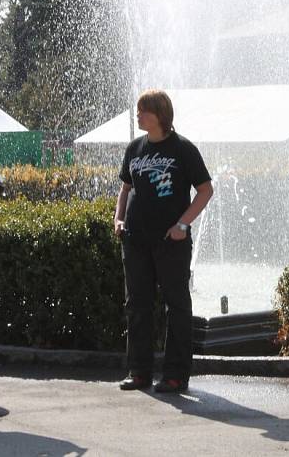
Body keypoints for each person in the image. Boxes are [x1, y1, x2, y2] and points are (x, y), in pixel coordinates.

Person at [114, 89, 213, 393]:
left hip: (171, 241)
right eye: (138, 110)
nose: (138, 115)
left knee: (177, 305)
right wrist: (118, 219)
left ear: (160, 115)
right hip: (135, 240)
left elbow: (205, 190)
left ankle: (175, 375)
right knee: (137, 305)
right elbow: (126, 189)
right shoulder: (134, 148)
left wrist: (183, 224)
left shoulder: (183, 149)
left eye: (144, 111)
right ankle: (139, 372)